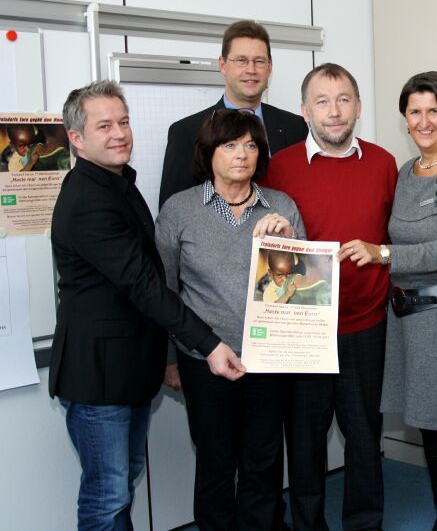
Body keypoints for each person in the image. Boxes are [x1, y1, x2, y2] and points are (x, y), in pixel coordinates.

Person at [49, 80, 244, 530]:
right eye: (104, 126)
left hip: (127, 370)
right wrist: (209, 345)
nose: (119, 133)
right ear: (76, 138)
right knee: (107, 496)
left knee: (121, 485)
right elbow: (145, 286)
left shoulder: (117, 183)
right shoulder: (88, 201)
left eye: (123, 121)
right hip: (97, 378)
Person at [341, 71, 437, 531]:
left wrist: (383, 254)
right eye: (414, 112)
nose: (424, 121)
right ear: (404, 118)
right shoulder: (406, 172)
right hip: (406, 316)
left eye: (434, 111)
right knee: (427, 421)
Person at [156, 109, 305, 531]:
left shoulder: (282, 207)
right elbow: (164, 291)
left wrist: (289, 243)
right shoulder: (179, 210)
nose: (242, 154)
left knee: (263, 463)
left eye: (251, 145)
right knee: (215, 463)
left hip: (268, 358)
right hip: (205, 360)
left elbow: (306, 287)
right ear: (209, 152)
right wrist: (169, 359)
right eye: (230, 144)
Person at [264, 63, 397, 531]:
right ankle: (308, 525)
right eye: (322, 101)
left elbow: (393, 240)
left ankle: (364, 524)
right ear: (304, 111)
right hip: (302, 330)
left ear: (358, 107)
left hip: (365, 324)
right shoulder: (277, 168)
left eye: (343, 100)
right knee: (304, 442)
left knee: (364, 437)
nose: (334, 111)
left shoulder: (384, 164)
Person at [159, 19, 307, 208]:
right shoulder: (187, 132)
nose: (251, 70)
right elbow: (173, 211)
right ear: (222, 65)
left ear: (269, 67)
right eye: (241, 60)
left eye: (259, 61)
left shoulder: (296, 127)